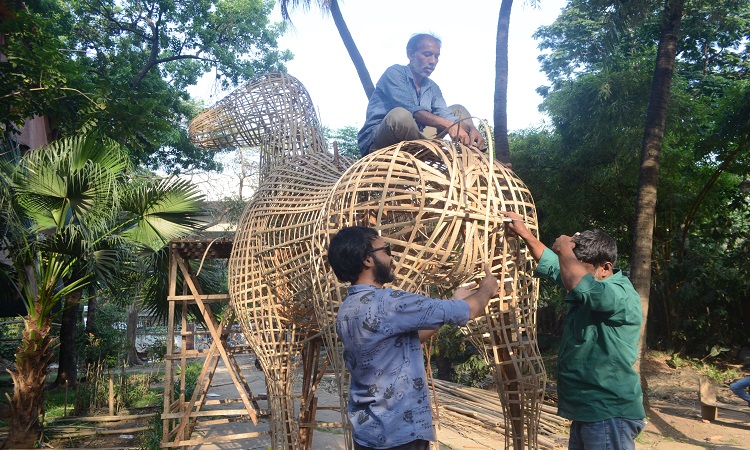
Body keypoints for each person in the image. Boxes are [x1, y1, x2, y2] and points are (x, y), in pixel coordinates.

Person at [327, 226, 499, 450]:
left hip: (367, 432)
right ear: (367, 260)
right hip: (399, 433)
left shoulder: (347, 309)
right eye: (386, 250)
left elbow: (404, 342)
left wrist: (454, 300)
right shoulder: (389, 303)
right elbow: (468, 311)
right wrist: (485, 290)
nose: (391, 258)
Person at [501, 211, 646, 450]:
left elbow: (585, 288)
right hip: (588, 411)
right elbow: (552, 266)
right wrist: (524, 233)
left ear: (605, 268)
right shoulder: (585, 283)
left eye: (580, 268)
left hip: (608, 413)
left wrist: (565, 251)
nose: (571, 274)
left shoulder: (618, 293)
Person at [357, 33, 485, 157]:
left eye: (436, 56)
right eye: (427, 55)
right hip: (382, 140)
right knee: (400, 115)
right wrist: (449, 125)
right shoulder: (395, 73)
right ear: (411, 54)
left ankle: (473, 158)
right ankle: (432, 154)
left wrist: (469, 128)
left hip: (416, 138)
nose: (433, 61)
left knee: (458, 110)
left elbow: (445, 115)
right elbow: (413, 111)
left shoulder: (432, 87)